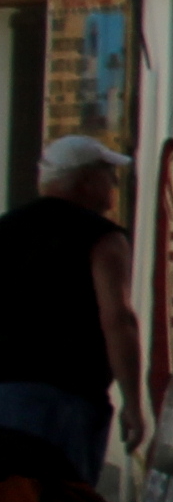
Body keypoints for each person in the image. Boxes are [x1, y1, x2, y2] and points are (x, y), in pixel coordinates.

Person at [0, 138, 138, 483]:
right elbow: (117, 320)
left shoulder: (4, 229)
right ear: (87, 181)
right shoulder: (101, 237)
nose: (116, 185)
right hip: (66, 398)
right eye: (110, 175)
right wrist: (134, 402)